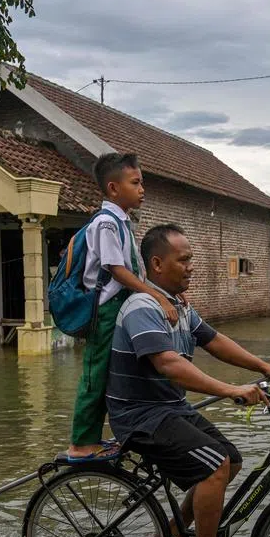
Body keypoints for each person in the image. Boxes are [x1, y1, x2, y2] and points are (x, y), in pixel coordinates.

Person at [107, 224, 270, 537]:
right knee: (215, 466)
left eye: (192, 259)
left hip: (168, 408)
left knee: (231, 460)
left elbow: (214, 341)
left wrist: (263, 366)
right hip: (140, 416)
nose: (191, 267)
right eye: (184, 260)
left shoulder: (180, 307)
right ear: (157, 264)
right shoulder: (142, 306)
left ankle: (173, 533)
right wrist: (230, 390)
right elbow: (169, 365)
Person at [66, 153, 179, 462]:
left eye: (142, 182)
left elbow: (134, 273)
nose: (142, 189)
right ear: (113, 188)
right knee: (96, 372)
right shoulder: (105, 223)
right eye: (136, 183)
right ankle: (81, 443)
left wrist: (163, 294)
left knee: (115, 373)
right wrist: (157, 297)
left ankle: (107, 433)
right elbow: (118, 270)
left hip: (120, 307)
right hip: (104, 309)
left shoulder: (122, 222)